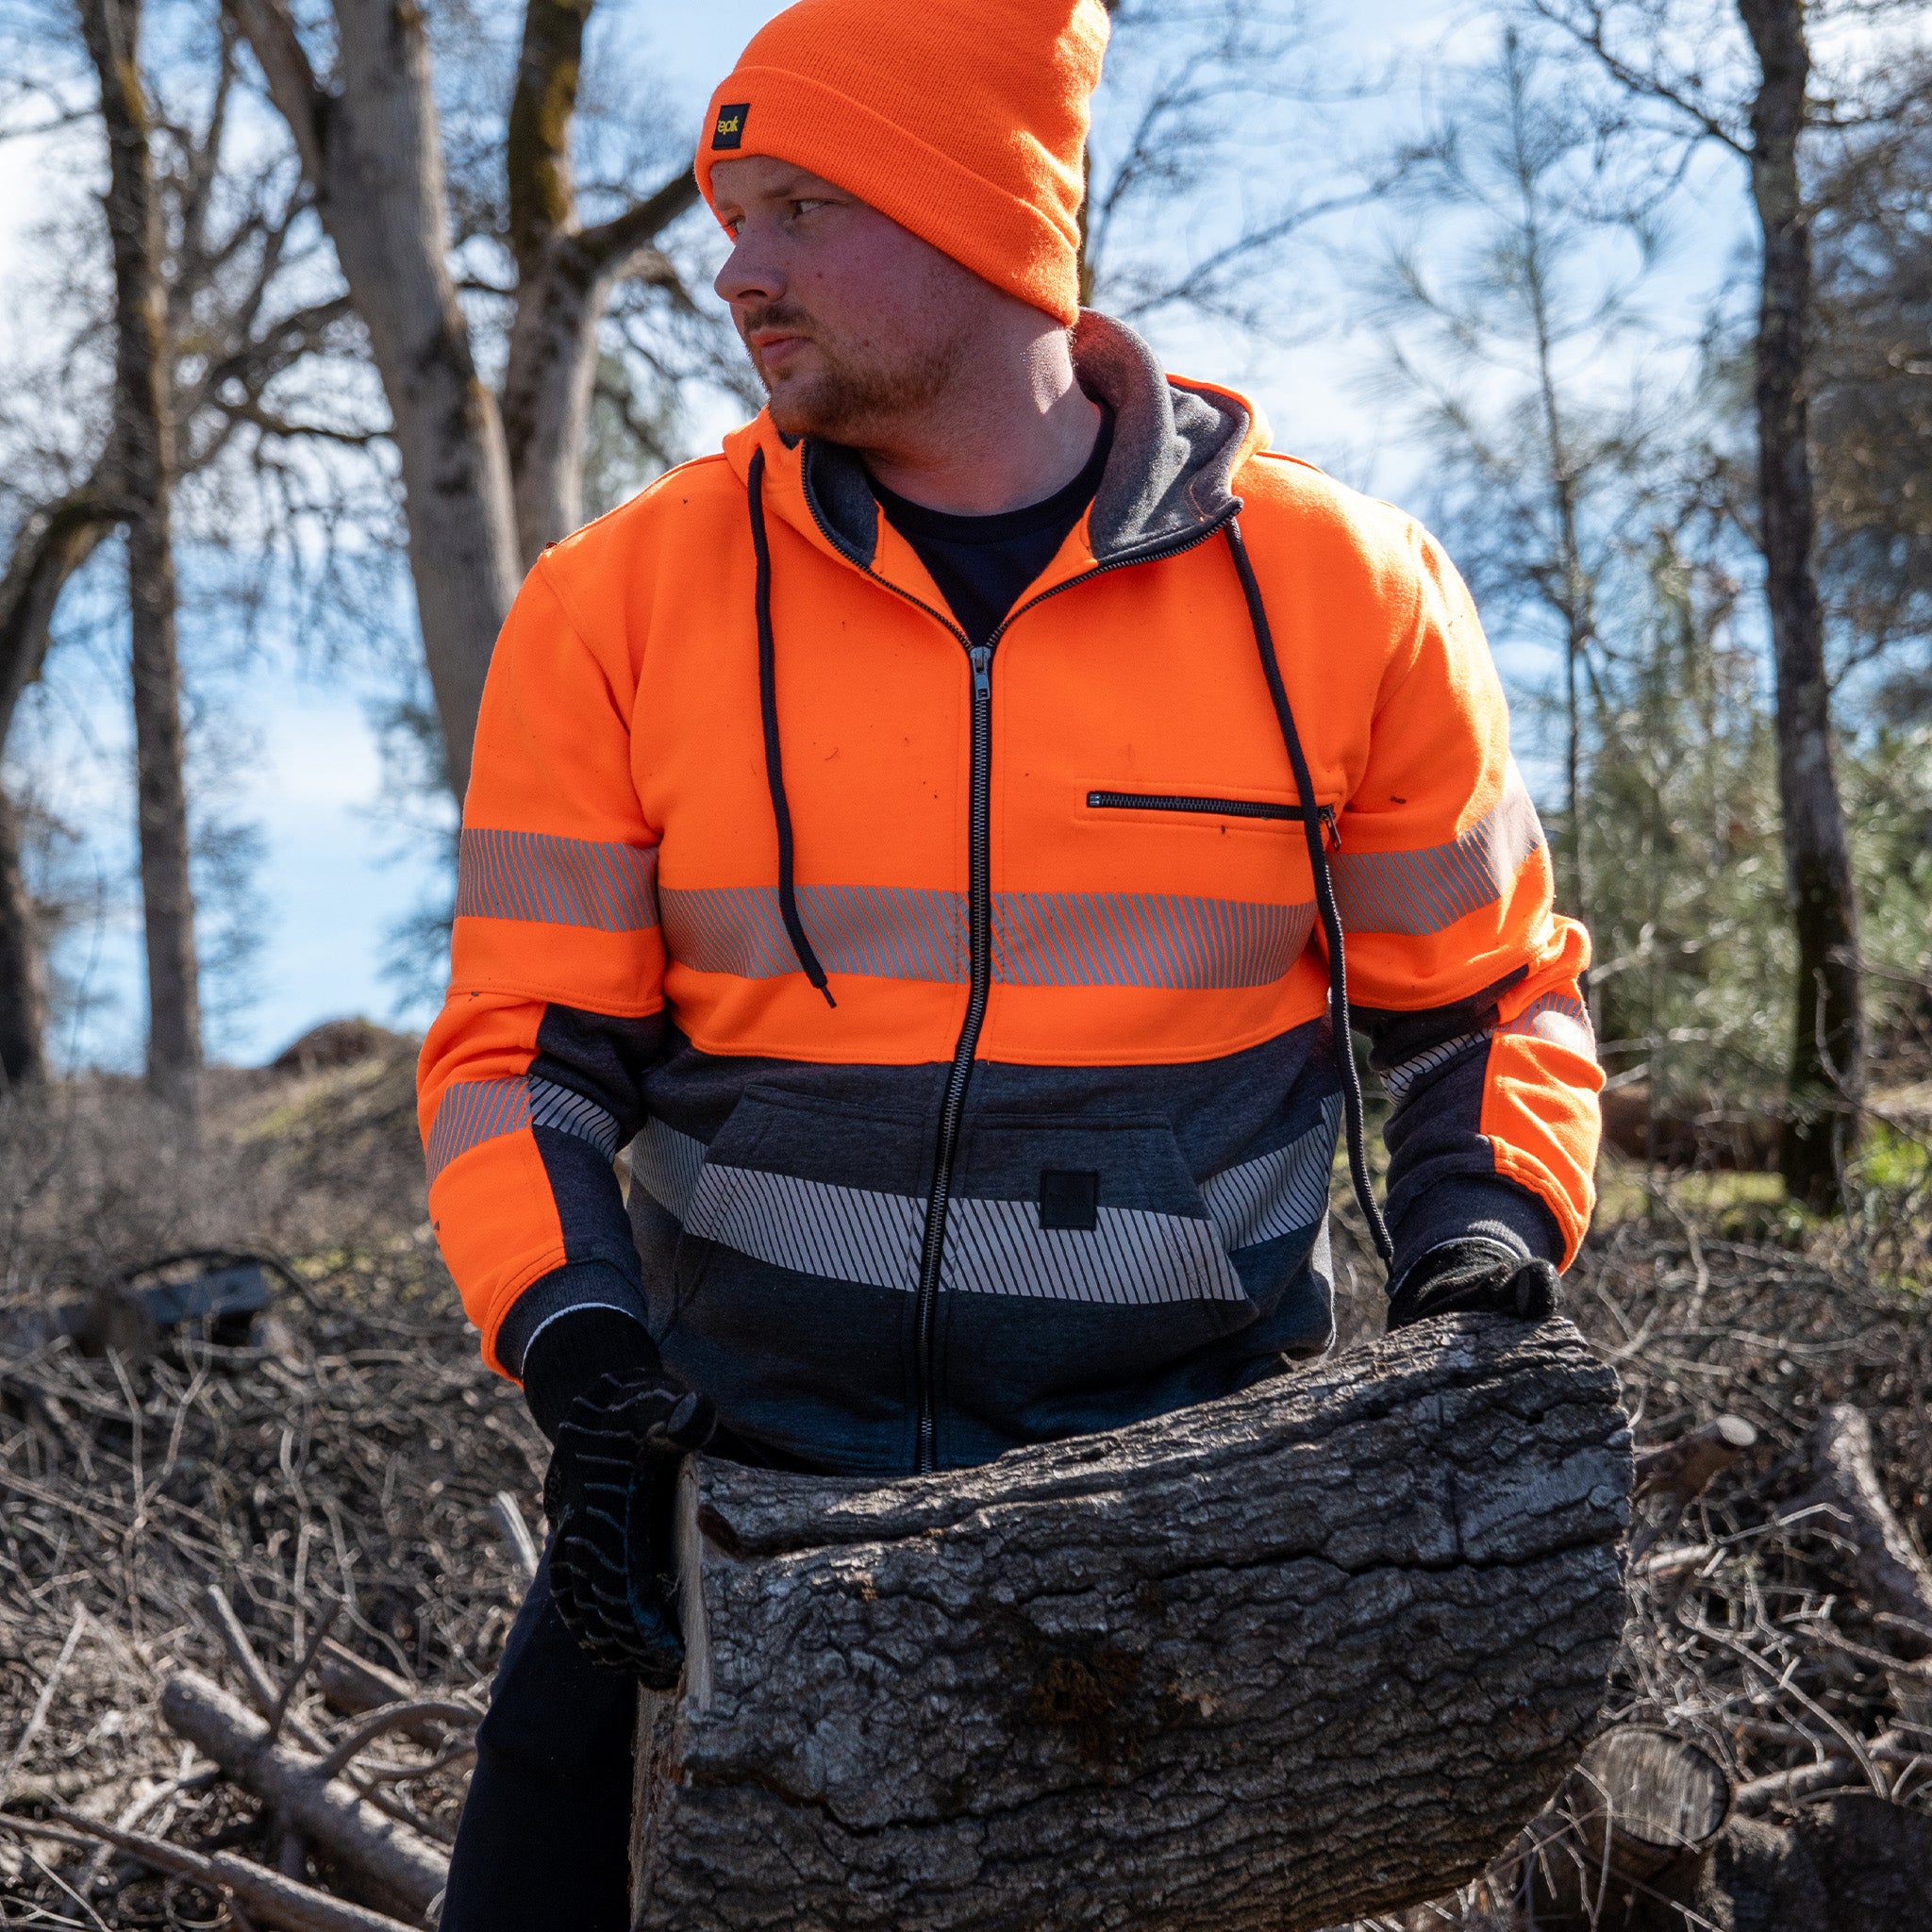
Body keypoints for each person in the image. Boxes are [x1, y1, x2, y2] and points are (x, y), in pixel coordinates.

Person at [418, 0, 1603, 1920]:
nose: (737, 265)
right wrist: (580, 1356)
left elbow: (1480, 1002)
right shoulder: (613, 608)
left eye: (800, 204)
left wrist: (1480, 1267)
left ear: (987, 215)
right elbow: (519, 1054)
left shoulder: (1345, 594)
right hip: (723, 1497)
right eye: (733, 206)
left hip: (1196, 1527)